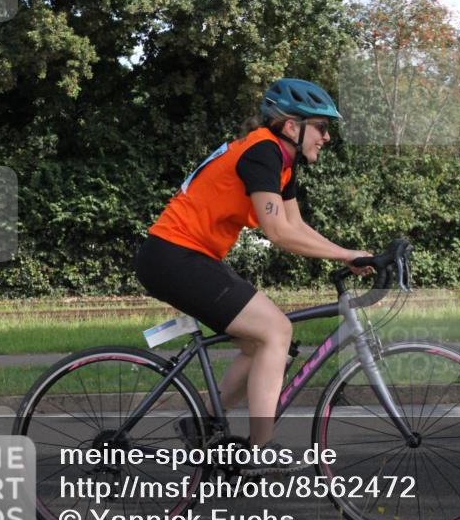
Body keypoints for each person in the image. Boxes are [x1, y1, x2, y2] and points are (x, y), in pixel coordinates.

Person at [134, 78, 371, 474]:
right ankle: (262, 450)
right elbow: (278, 233)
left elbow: (296, 226)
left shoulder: (281, 160)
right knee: (276, 331)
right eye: (322, 127)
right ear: (292, 126)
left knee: (259, 343)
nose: (327, 137)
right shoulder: (263, 151)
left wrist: (349, 254)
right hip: (175, 256)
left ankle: (202, 425)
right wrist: (348, 254)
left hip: (186, 256)